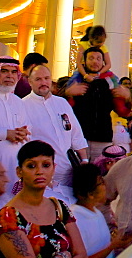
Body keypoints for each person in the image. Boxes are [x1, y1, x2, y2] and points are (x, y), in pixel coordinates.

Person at [0, 140, 87, 258]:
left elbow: (81, 256)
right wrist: (64, 257)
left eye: (45, 165)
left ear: (53, 168)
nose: (39, 172)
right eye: (31, 166)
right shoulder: (8, 216)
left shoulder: (59, 207)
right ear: (19, 171)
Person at [22, 65, 87, 202]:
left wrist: (84, 161)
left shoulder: (62, 103)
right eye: (38, 79)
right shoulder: (23, 106)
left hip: (68, 172)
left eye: (46, 78)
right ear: (30, 81)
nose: (43, 83)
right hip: (43, 175)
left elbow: (76, 134)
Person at [70, 163, 128, 258]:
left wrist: (118, 243)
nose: (105, 185)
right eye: (101, 182)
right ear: (89, 193)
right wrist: (112, 245)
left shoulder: (96, 213)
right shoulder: (75, 219)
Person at [69, 49, 128, 160]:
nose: (95, 62)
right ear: (84, 61)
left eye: (98, 58)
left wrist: (127, 96)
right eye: (91, 58)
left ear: (103, 62)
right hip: (79, 136)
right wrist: (68, 94)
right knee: (77, 171)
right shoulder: (76, 80)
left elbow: (122, 110)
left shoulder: (110, 81)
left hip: (103, 136)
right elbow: (60, 103)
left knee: (101, 170)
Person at [0, 57, 29, 197]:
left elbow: (28, 128)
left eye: (14, 72)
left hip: (15, 165)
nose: (10, 76)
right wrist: (5, 134)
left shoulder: (18, 101)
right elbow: (6, 133)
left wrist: (24, 133)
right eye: (4, 71)